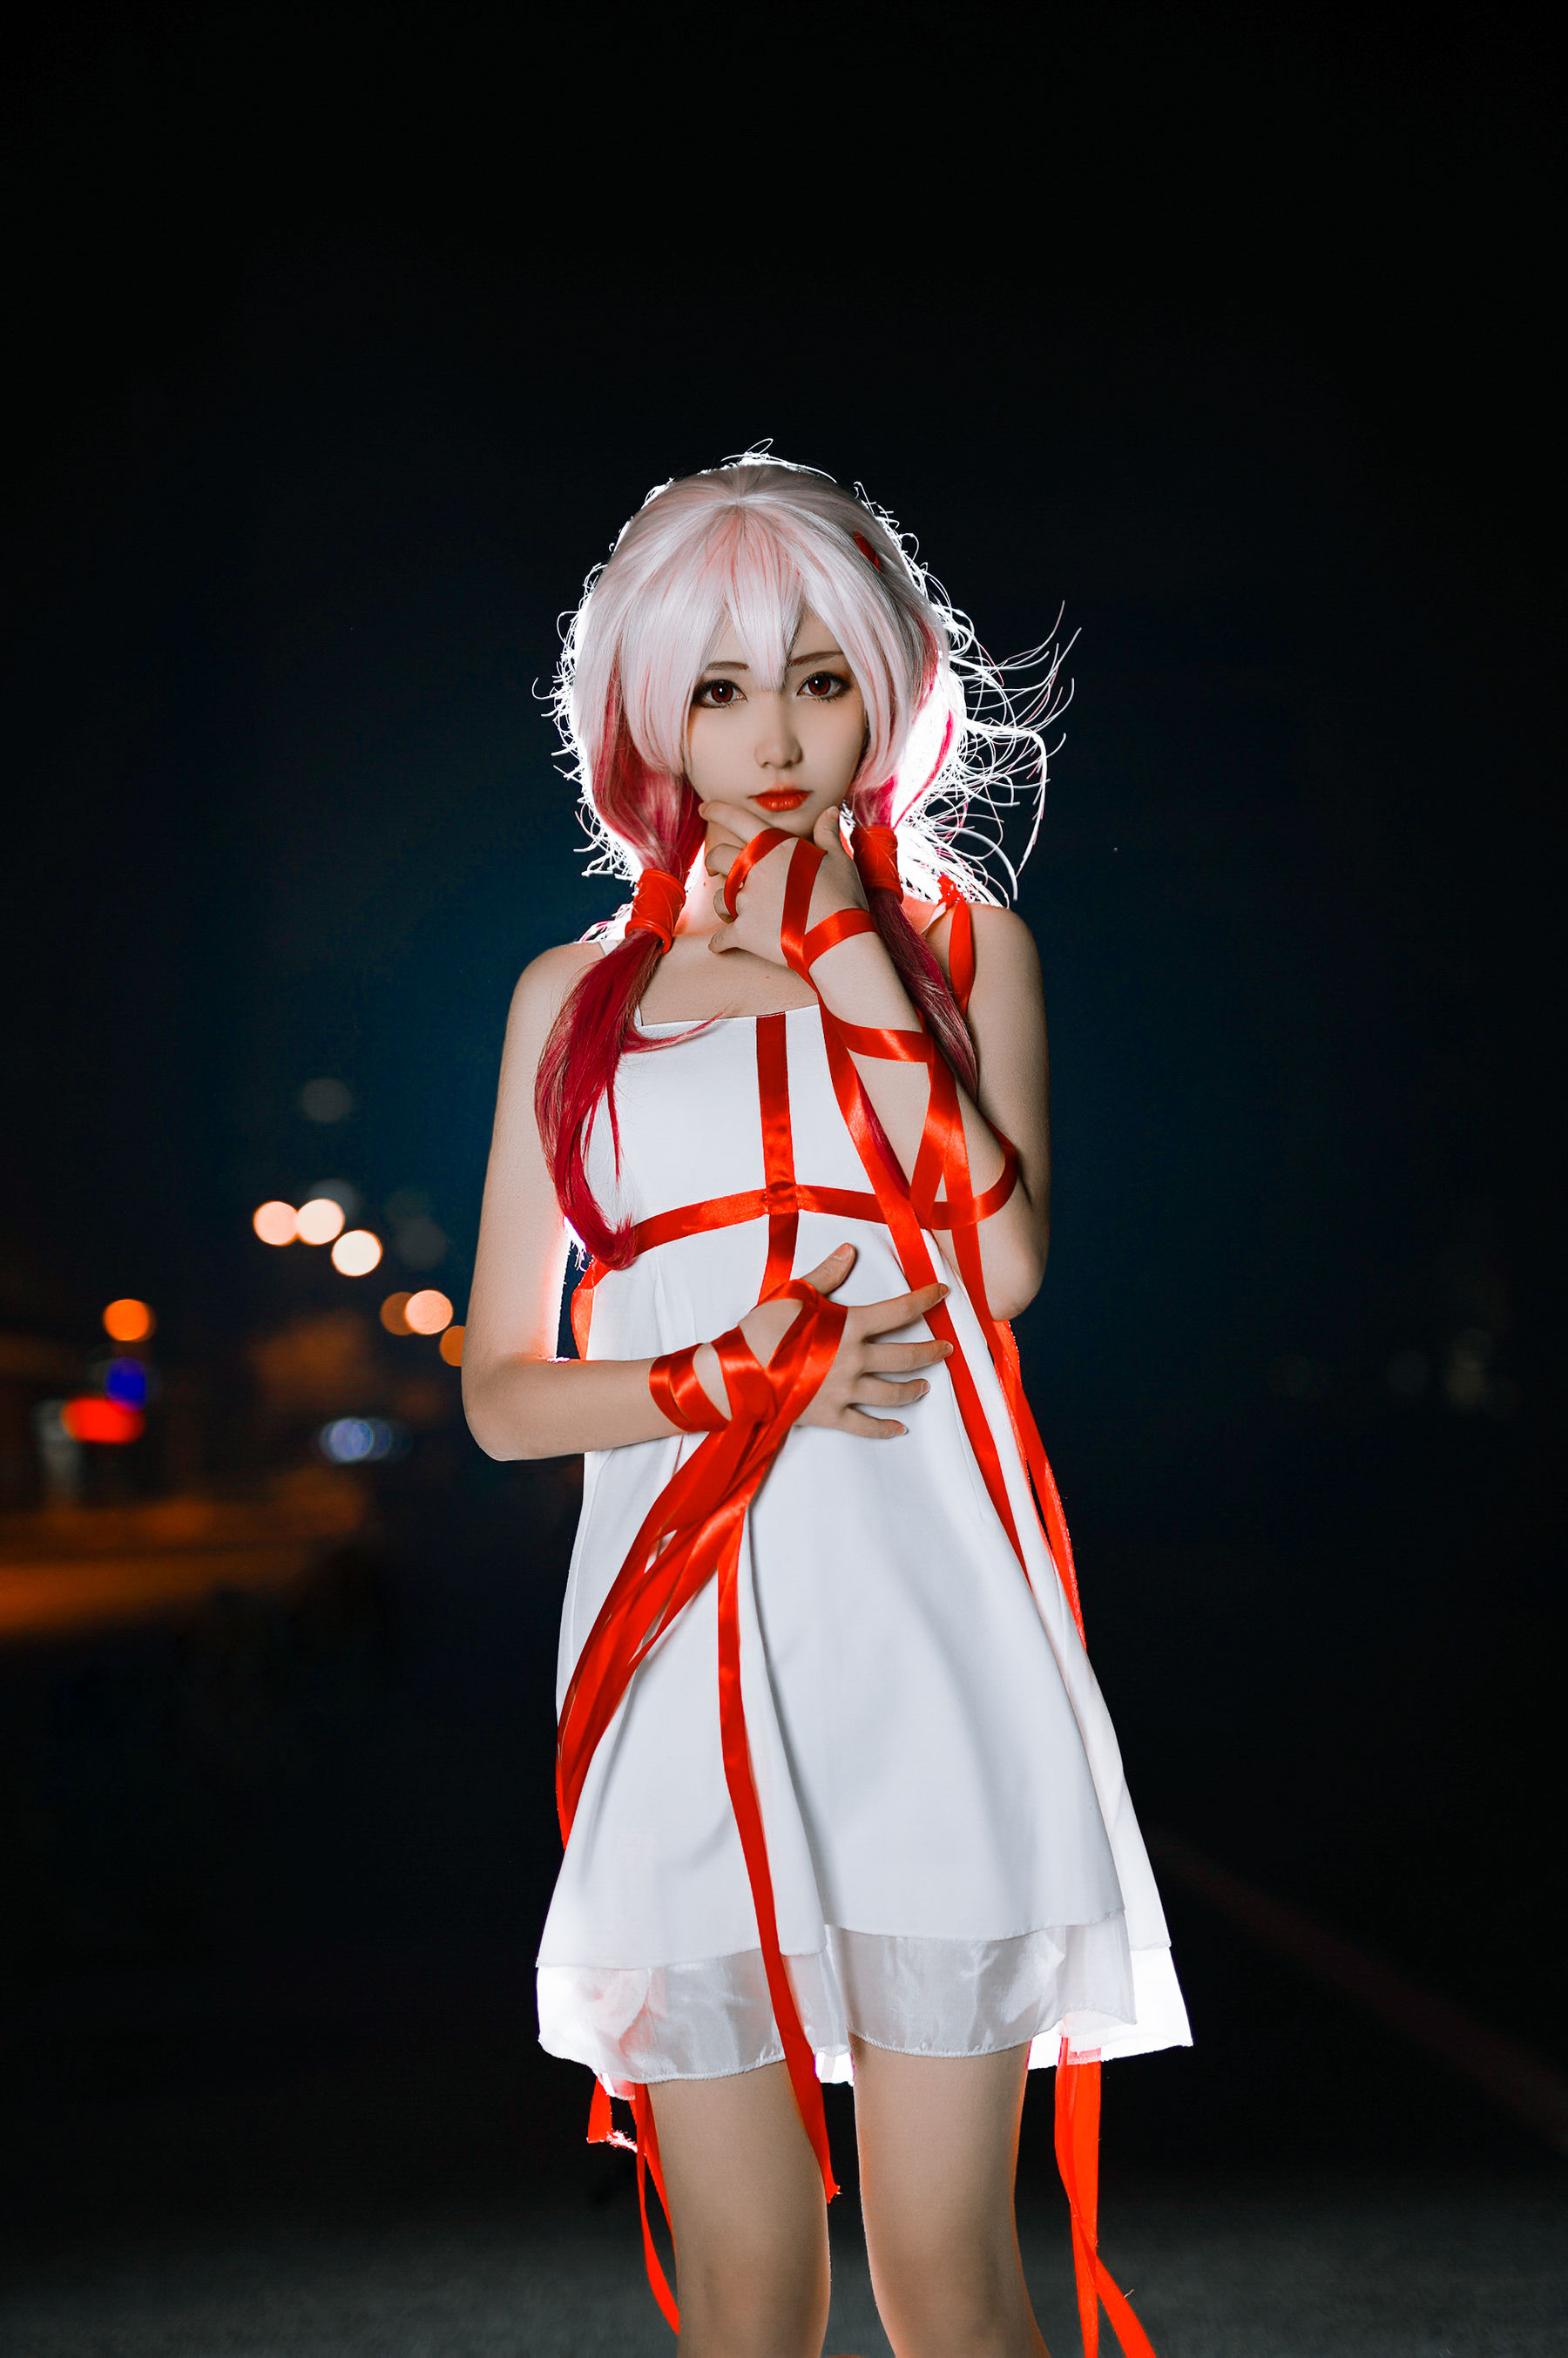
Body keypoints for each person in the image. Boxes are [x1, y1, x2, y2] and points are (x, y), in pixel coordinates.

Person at [462, 456, 1190, 2358]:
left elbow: (1000, 1259)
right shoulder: (571, 1000)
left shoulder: (964, 950)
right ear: (646, 711)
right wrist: (734, 1378)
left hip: (930, 1642)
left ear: (887, 688)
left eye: (817, 680)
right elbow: (505, 1398)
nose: (773, 739)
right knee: (746, 2298)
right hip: (679, 1649)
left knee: (950, 2280)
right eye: (716, 689)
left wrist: (848, 942)